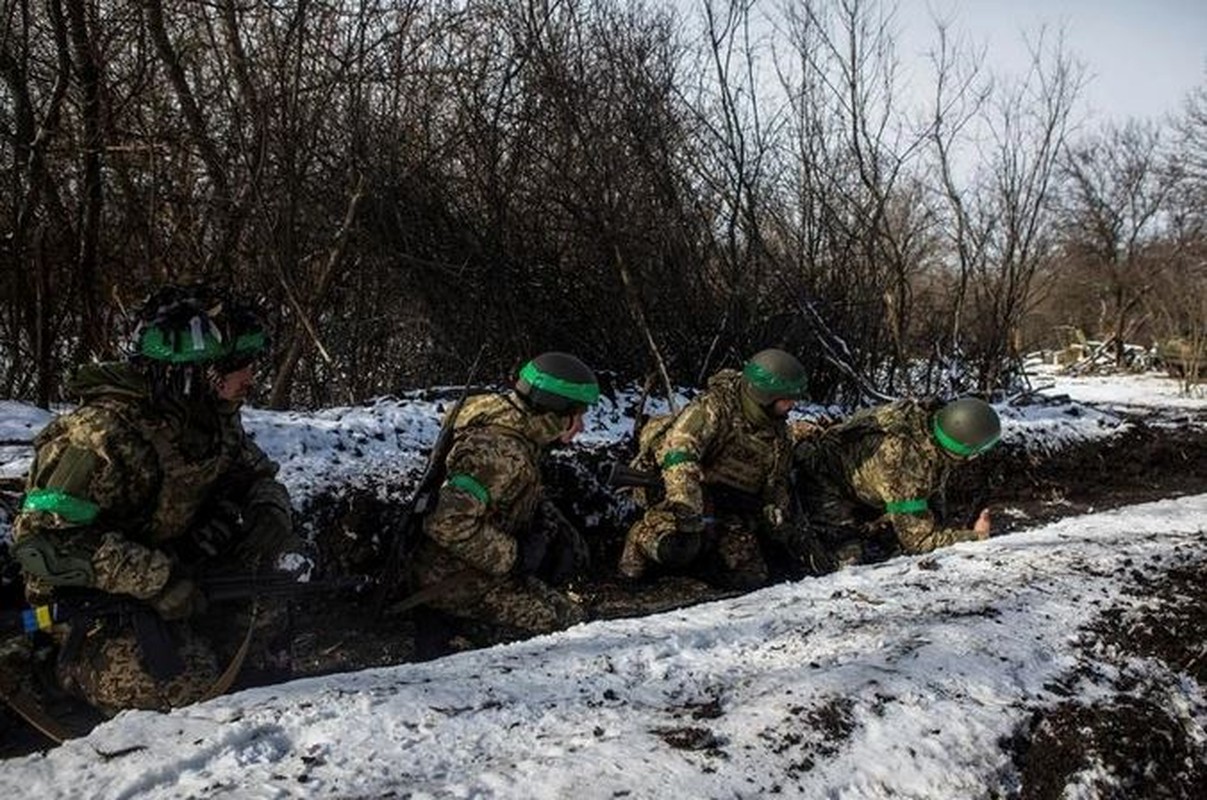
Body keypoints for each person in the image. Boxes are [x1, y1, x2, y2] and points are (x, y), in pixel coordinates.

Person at [10, 284, 303, 714]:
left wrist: (269, 508)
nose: (250, 377)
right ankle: (47, 671)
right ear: (194, 373)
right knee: (187, 687)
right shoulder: (101, 434)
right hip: (89, 605)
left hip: (177, 576)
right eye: (234, 365)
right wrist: (156, 579)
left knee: (267, 618)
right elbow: (42, 542)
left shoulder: (205, 420)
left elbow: (255, 474)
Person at [408, 352, 599, 658]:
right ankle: (461, 632)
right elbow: (446, 522)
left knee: (562, 604)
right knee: (571, 624)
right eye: (578, 416)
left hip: (467, 568)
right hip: (453, 581)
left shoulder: (506, 422)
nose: (582, 428)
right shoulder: (501, 454)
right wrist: (514, 555)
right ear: (557, 414)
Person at [617, 348, 807, 589]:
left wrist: (775, 507)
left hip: (729, 512)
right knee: (677, 547)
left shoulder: (778, 432)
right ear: (765, 395)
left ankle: (695, 569)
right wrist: (686, 503)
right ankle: (640, 538)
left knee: (749, 576)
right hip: (685, 496)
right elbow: (679, 451)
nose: (793, 404)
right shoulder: (716, 407)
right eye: (787, 398)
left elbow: (776, 479)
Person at [793, 396, 1002, 568]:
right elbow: (919, 542)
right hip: (825, 482)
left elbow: (933, 491)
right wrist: (976, 537)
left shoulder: (928, 424)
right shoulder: (905, 465)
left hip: (863, 480)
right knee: (849, 560)